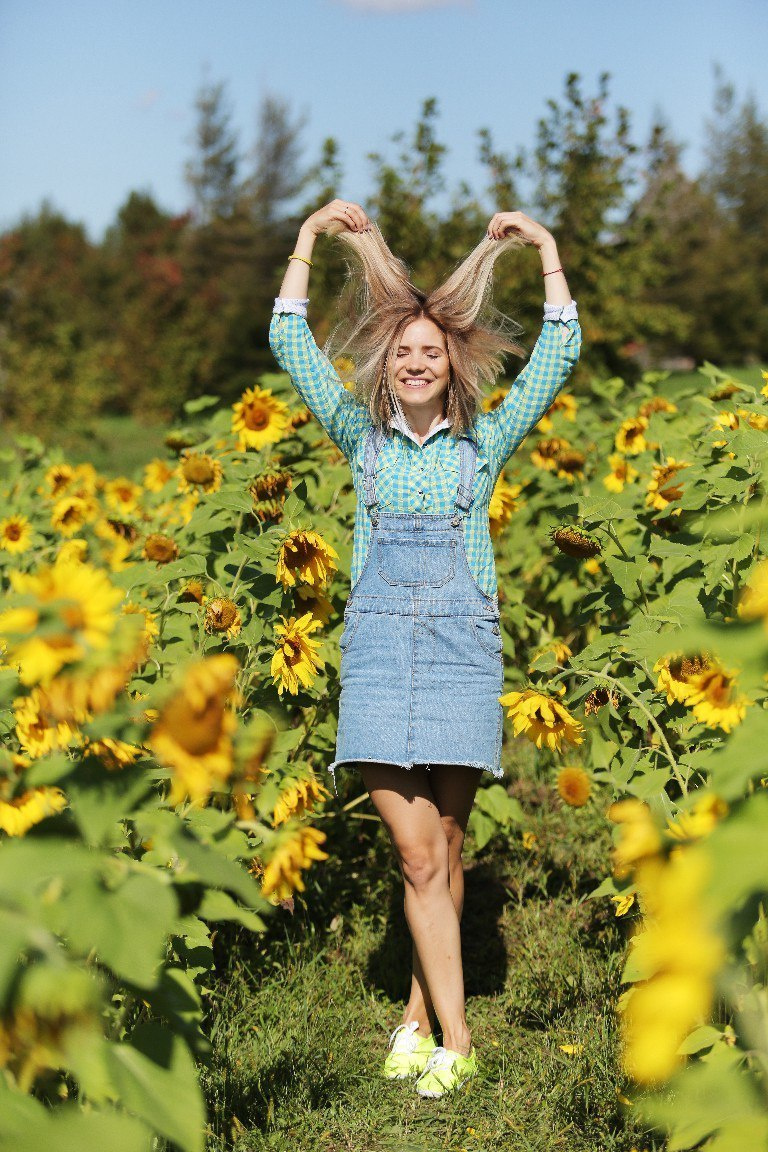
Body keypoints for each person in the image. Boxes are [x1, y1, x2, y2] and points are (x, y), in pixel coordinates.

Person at [269, 200, 582, 1099]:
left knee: (446, 843)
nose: (414, 361)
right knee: (412, 853)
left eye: (430, 351)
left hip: (460, 648)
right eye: (401, 351)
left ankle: (413, 1017)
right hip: (375, 653)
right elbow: (288, 337)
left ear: (451, 366)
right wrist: (308, 241)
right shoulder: (357, 437)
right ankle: (460, 1038)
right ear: (385, 366)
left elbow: (559, 353)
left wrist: (548, 252)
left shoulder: (483, 445)